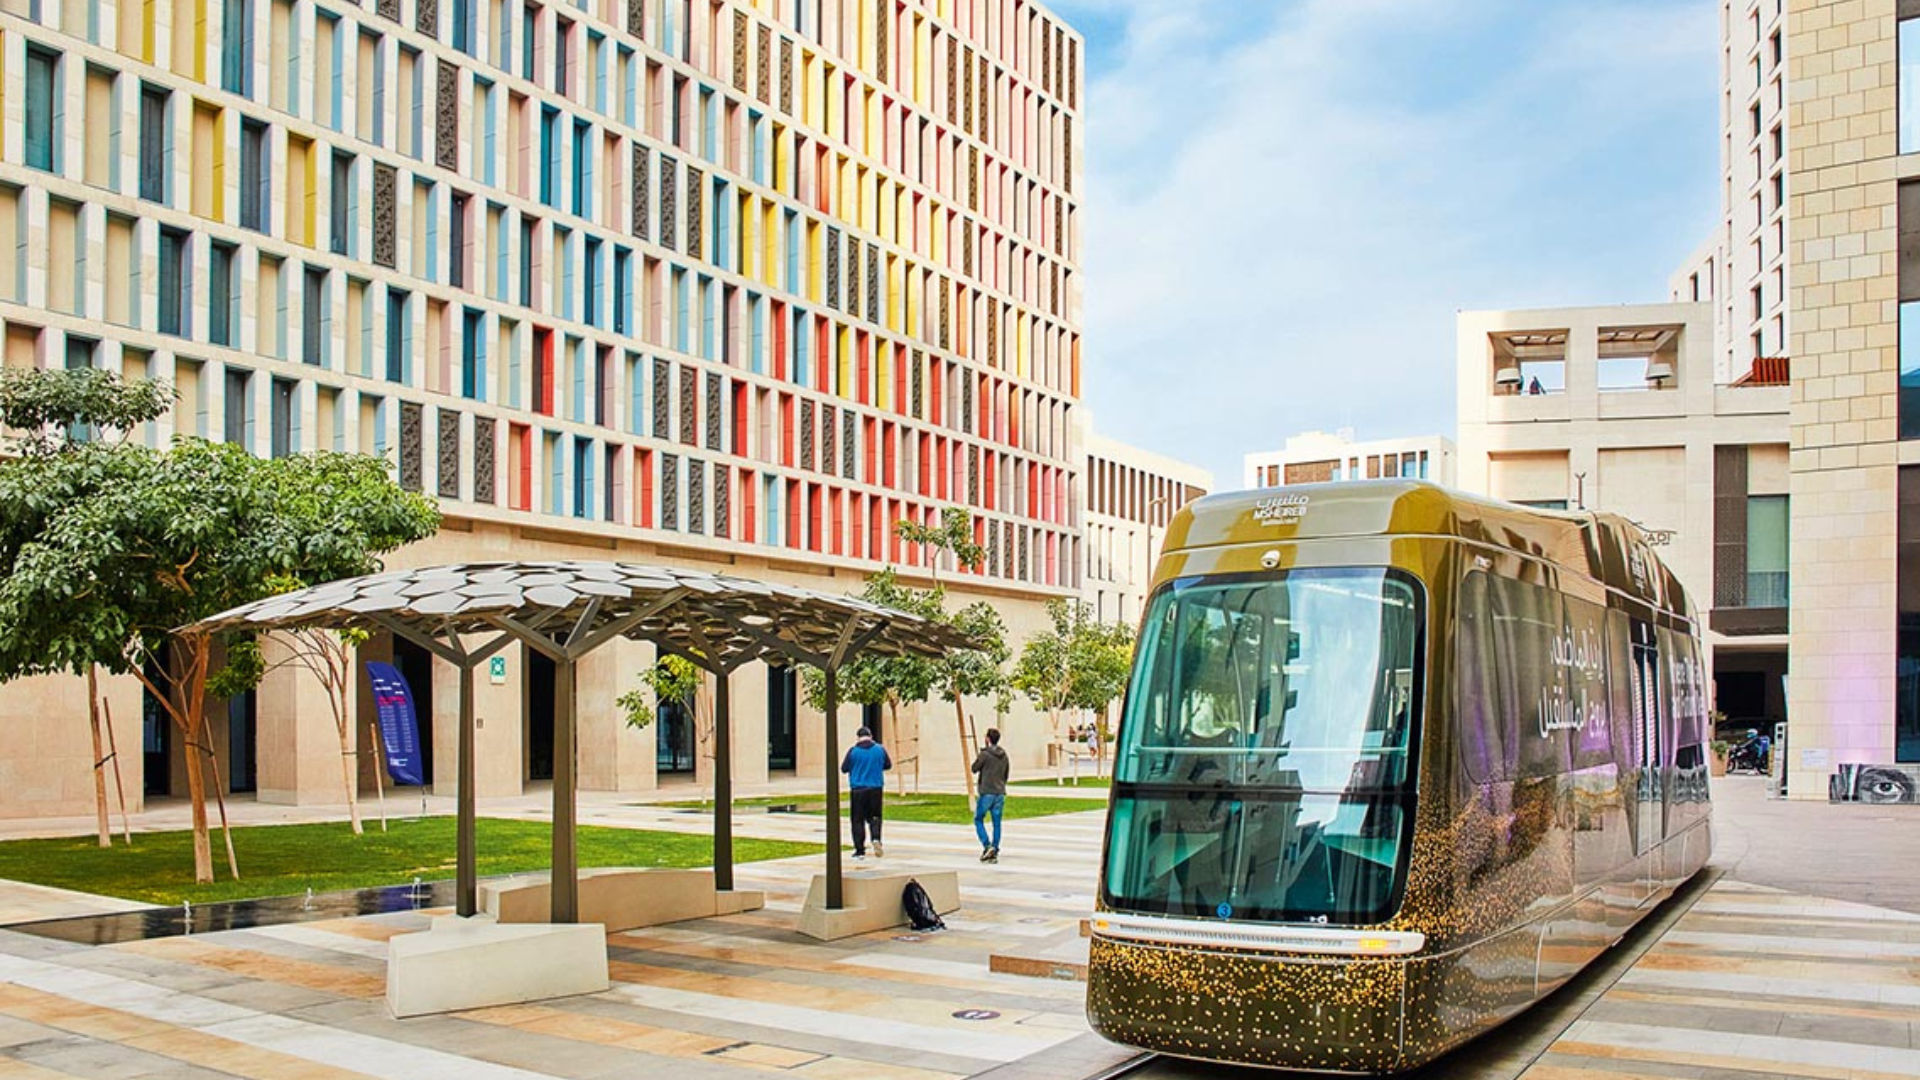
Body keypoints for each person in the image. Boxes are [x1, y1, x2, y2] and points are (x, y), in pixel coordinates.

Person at [841, 725, 892, 858]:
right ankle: (876, 838)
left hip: (858, 789)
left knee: (857, 820)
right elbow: (888, 765)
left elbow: (844, 768)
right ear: (871, 736)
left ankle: (859, 850)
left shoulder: (853, 751)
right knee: (875, 817)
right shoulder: (880, 749)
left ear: (858, 738)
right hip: (876, 788)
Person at [971, 728, 1010, 863]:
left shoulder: (985, 755)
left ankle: (987, 845)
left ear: (988, 739)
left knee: (978, 819)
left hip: (987, 792)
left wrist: (980, 756)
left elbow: (974, 768)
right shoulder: (1004, 754)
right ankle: (995, 848)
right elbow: (1006, 774)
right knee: (997, 823)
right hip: (1000, 792)